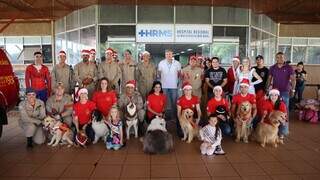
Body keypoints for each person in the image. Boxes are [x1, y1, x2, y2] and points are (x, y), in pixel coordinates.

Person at [267, 52, 296, 135]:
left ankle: (283, 132)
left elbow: (293, 79)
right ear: (276, 58)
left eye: (282, 57)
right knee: (274, 111)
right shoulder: (272, 67)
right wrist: (266, 89)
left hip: (285, 92)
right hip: (274, 93)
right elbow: (269, 79)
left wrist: (293, 90)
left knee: (284, 112)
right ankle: (273, 131)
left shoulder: (289, 67)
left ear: (284, 58)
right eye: (278, 57)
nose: (280, 58)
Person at [158, 49, 181, 124]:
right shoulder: (161, 63)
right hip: (164, 86)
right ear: (165, 55)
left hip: (174, 86)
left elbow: (180, 74)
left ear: (172, 55)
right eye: (167, 54)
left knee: (174, 102)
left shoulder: (177, 63)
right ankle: (163, 117)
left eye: (170, 54)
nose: (168, 55)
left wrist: (179, 84)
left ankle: (174, 117)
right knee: (164, 102)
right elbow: (158, 74)